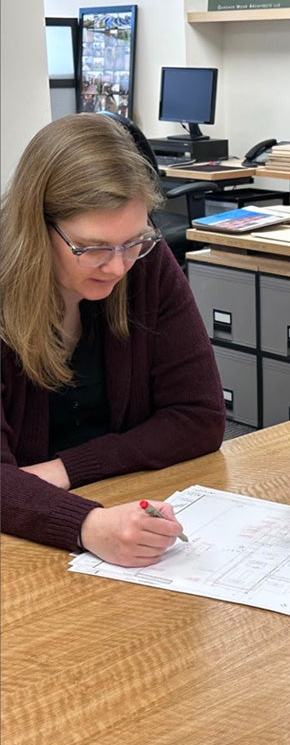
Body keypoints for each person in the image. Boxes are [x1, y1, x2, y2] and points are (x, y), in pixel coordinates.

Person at [1, 113, 226, 568]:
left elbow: (199, 418)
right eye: (93, 248)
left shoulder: (148, 259)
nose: (119, 267)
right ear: (36, 227)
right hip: (25, 543)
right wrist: (87, 525)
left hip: (119, 505)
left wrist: (67, 470)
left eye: (133, 241)